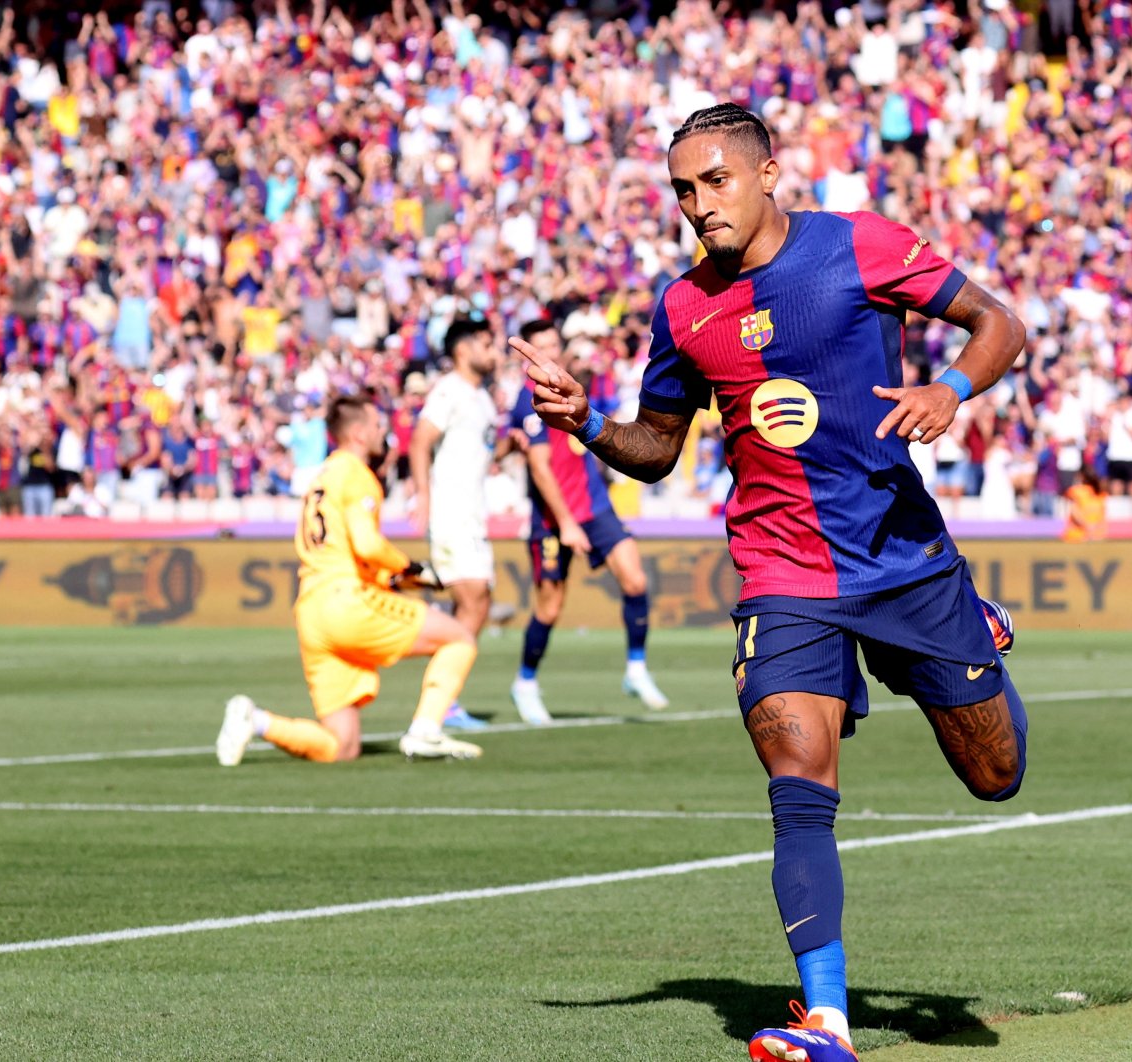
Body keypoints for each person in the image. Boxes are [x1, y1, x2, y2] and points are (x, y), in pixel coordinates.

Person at [514, 103, 1029, 1062]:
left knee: (996, 776)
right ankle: (826, 1021)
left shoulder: (859, 246)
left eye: (714, 182)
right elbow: (659, 448)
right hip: (781, 569)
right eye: (681, 190)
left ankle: (975, 628)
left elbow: (1000, 323)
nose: (697, 205)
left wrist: (948, 391)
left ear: (767, 174)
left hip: (900, 556)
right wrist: (586, 421)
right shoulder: (682, 308)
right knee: (797, 780)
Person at [217, 392, 484, 765]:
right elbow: (368, 544)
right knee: (459, 638)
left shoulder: (322, 477)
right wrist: (411, 569)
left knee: (341, 747)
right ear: (358, 433)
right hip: (344, 600)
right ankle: (425, 731)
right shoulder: (356, 473)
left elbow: (346, 550)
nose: (382, 432)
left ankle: (257, 720)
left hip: (311, 613)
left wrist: (393, 579)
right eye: (377, 425)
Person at [506, 319, 669, 725]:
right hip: (554, 517)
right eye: (539, 346)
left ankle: (635, 668)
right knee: (550, 606)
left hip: (593, 506)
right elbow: (541, 468)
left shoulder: (573, 384)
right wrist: (565, 523)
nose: (549, 354)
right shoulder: (527, 400)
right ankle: (525, 682)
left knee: (634, 579)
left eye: (552, 344)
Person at [409, 317, 511, 731]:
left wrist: (511, 445)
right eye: (487, 344)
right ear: (464, 350)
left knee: (477, 600)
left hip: (473, 512)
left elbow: (481, 455)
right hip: (451, 512)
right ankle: (442, 699)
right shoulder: (449, 391)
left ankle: (444, 691)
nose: (494, 351)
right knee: (473, 599)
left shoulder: (482, 399)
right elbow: (419, 441)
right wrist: (423, 496)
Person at [1062, 466, 1108, 542]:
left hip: (1078, 534)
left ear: (1081, 476)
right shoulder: (1101, 493)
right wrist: (1093, 528)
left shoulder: (1076, 491)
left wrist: (1087, 526)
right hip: (1097, 534)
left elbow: (1074, 512)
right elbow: (1102, 515)